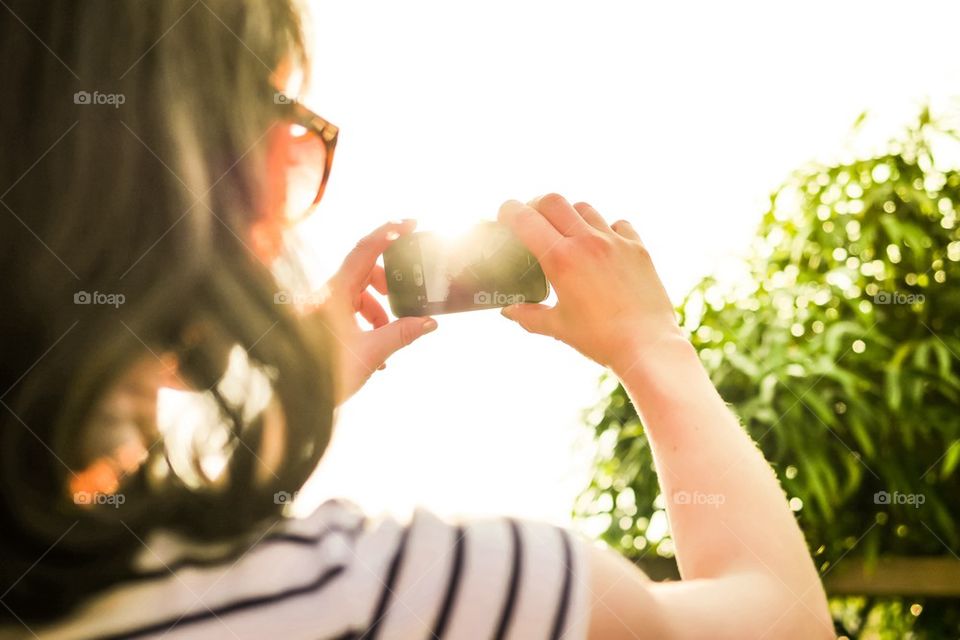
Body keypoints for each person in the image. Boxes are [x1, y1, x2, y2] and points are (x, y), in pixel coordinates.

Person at [0, 1, 832, 638]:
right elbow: (777, 622)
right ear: (202, 176)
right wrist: (655, 349)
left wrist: (292, 408)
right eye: (280, 133)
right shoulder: (386, 592)